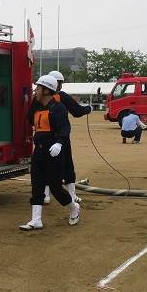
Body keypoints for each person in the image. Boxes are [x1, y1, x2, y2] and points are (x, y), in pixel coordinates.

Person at [19, 75, 81, 230]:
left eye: (38, 88)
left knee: (55, 188)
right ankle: (36, 219)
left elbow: (65, 128)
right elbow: (30, 119)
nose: (36, 91)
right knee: (37, 184)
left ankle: (74, 208)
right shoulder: (38, 106)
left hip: (53, 153)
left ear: (46, 90)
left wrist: (59, 143)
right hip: (38, 151)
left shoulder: (58, 108)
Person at [41, 70, 91, 205]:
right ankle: (72, 195)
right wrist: (89, 109)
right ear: (57, 83)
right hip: (61, 138)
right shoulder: (61, 96)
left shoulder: (39, 98)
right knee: (68, 165)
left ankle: (45, 195)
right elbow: (77, 111)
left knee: (46, 165)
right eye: (60, 83)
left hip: (43, 138)